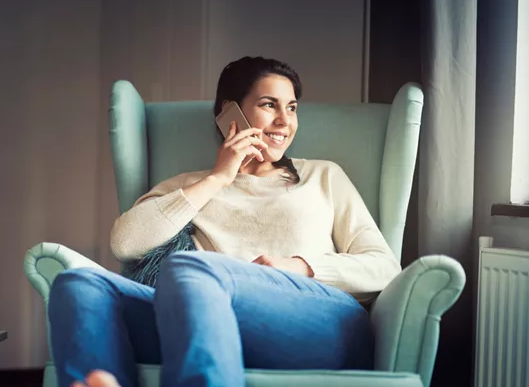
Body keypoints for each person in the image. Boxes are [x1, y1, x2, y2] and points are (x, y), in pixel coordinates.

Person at [48, 57, 402, 387]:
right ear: (228, 112)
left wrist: (300, 267)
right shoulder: (190, 187)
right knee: (80, 284)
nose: (285, 121)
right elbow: (125, 243)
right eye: (269, 105)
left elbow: (384, 267)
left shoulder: (322, 176)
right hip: (205, 317)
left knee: (194, 269)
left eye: (291, 107)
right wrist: (217, 179)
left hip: (320, 320)